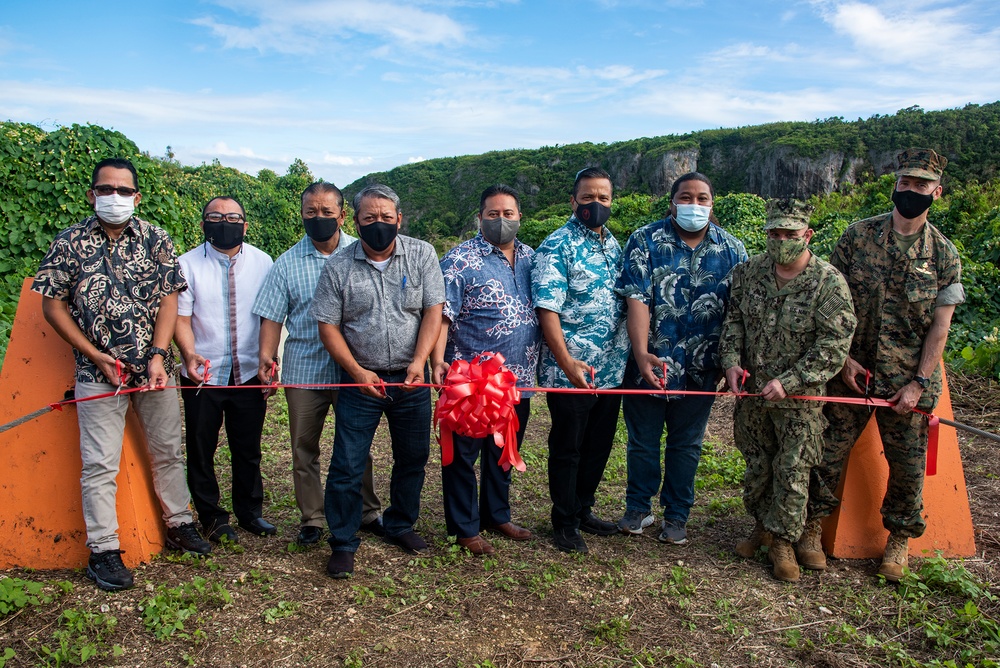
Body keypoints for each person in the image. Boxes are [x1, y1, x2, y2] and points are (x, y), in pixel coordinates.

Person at [32, 157, 210, 591]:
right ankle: (104, 550)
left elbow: (169, 300)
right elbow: (52, 304)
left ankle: (179, 523)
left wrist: (158, 354)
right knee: (99, 464)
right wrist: (94, 355)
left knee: (168, 450)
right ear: (92, 194)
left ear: (137, 196)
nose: (115, 198)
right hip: (97, 373)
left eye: (124, 191)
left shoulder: (155, 238)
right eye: (106, 189)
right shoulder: (69, 242)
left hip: (155, 371)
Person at [806, 148, 965, 582]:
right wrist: (842, 360)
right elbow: (828, 305)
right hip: (851, 373)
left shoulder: (944, 255)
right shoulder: (857, 237)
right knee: (825, 452)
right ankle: (810, 527)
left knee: (909, 465)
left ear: (936, 191)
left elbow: (940, 329)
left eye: (921, 185)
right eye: (905, 183)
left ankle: (899, 540)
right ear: (895, 185)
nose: (911, 191)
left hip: (905, 383)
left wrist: (918, 383)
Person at [719, 201, 856, 582]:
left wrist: (791, 381)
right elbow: (733, 322)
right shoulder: (748, 274)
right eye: (774, 234)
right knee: (758, 464)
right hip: (753, 395)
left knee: (794, 469)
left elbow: (834, 344)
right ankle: (761, 526)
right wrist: (730, 362)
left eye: (790, 235)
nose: (781, 241)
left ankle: (783, 541)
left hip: (800, 400)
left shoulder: (828, 281)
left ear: (807, 235)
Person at [312, 184, 444, 578]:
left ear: (399, 219)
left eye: (387, 218)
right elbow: (328, 326)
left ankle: (400, 523)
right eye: (369, 218)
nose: (379, 225)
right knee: (348, 463)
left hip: (411, 379)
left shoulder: (421, 254)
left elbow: (433, 312)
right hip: (361, 381)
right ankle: (343, 541)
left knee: (413, 457)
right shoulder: (338, 266)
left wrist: (419, 362)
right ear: (355, 221)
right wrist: (357, 371)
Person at [615, 172, 748, 545]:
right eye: (686, 197)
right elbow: (637, 299)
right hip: (650, 365)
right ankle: (638, 508)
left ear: (712, 204)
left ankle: (677, 515)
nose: (694, 204)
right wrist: (642, 354)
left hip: (701, 367)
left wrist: (729, 360)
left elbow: (737, 312)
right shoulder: (644, 240)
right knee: (642, 441)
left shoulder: (733, 249)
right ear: (672, 202)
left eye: (702, 198)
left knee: (686, 444)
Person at [253, 182, 384, 546]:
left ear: (343, 215)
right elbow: (272, 317)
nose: (320, 218)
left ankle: (368, 510)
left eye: (327, 212)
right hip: (305, 369)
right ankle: (312, 517)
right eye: (312, 212)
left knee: (357, 446)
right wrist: (267, 356)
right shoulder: (286, 264)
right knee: (303, 449)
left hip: (353, 371)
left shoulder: (364, 254)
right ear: (302, 215)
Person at [431, 184, 540, 556]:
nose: (501, 220)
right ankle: (464, 527)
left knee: (503, 451)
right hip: (471, 384)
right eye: (492, 214)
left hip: (518, 379)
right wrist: (436, 360)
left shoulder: (531, 258)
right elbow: (442, 316)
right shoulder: (459, 259)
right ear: (480, 218)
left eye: (508, 213)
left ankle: (496, 513)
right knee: (462, 456)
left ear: (519, 217)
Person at [531, 167, 630, 554]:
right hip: (570, 370)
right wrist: (567, 361)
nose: (596, 204)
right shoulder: (557, 245)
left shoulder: (614, 244)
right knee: (568, 446)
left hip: (611, 367)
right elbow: (547, 310)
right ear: (573, 201)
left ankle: (583, 507)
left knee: (598, 444)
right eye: (588, 197)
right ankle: (564, 520)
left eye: (603, 198)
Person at [175, 196, 275, 543]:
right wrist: (189, 354)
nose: (225, 222)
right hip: (203, 374)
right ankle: (212, 517)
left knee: (247, 447)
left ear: (244, 225)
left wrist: (268, 357)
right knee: (201, 446)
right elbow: (181, 318)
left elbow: (269, 316)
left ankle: (250, 512)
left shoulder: (264, 263)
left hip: (248, 371)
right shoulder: (185, 265)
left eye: (233, 217)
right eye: (215, 217)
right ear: (203, 224)